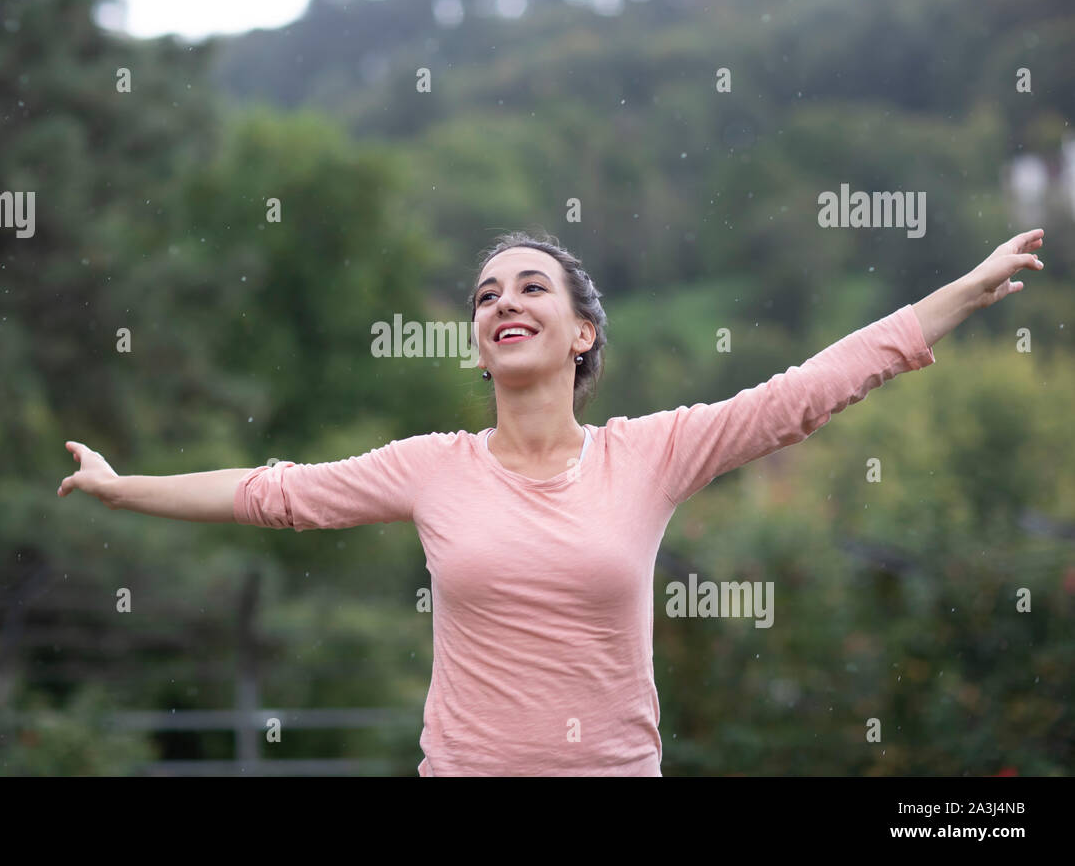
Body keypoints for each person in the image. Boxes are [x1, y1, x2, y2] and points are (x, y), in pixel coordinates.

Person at [58, 227, 1044, 775]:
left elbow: (798, 396)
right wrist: (118, 488)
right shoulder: (431, 466)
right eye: (486, 294)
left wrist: (959, 292)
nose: (501, 303)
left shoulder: (647, 455)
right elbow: (271, 492)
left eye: (530, 286)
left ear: (579, 334)